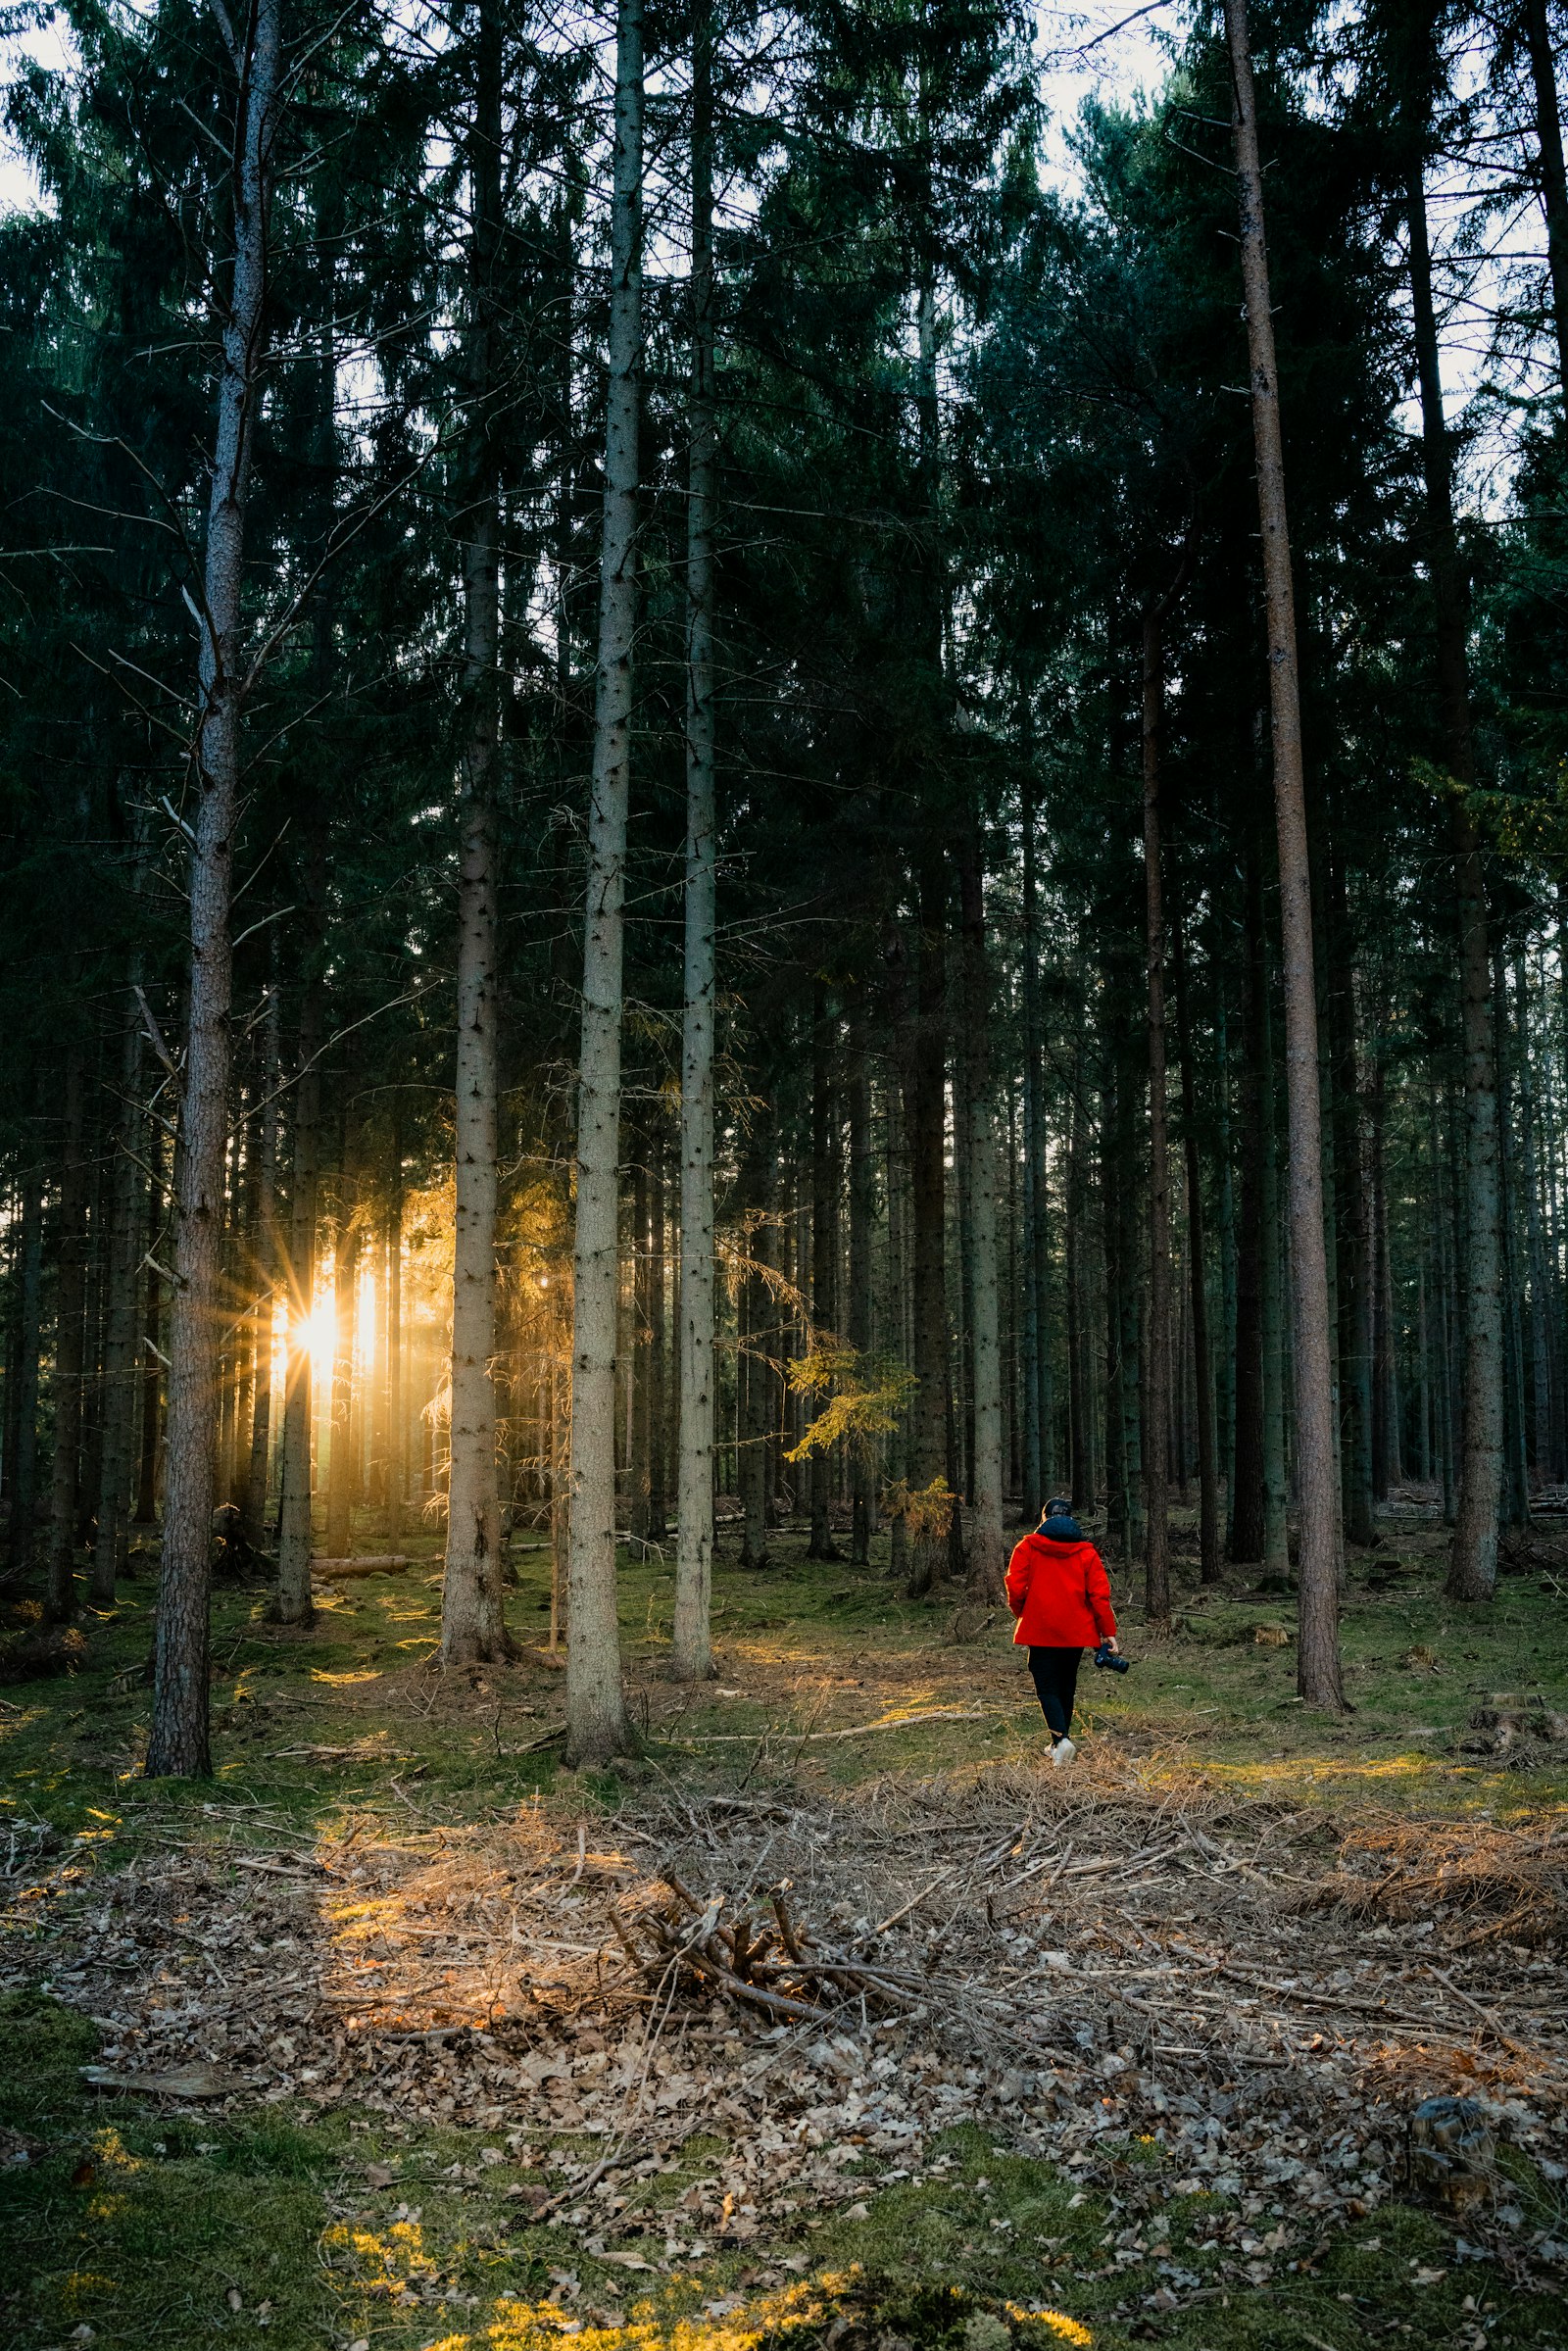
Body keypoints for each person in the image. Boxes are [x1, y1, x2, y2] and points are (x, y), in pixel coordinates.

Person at [1004, 1496, 1119, 1768]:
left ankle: (1061, 1741)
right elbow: (1099, 1597)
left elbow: (1015, 1586)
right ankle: (1060, 1744)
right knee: (1066, 1685)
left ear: (1044, 1519)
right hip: (1076, 1631)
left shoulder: (1028, 1547)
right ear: (1070, 1518)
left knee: (1046, 1686)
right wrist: (1108, 1632)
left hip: (1041, 1627)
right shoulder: (1086, 1553)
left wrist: (1022, 1611)